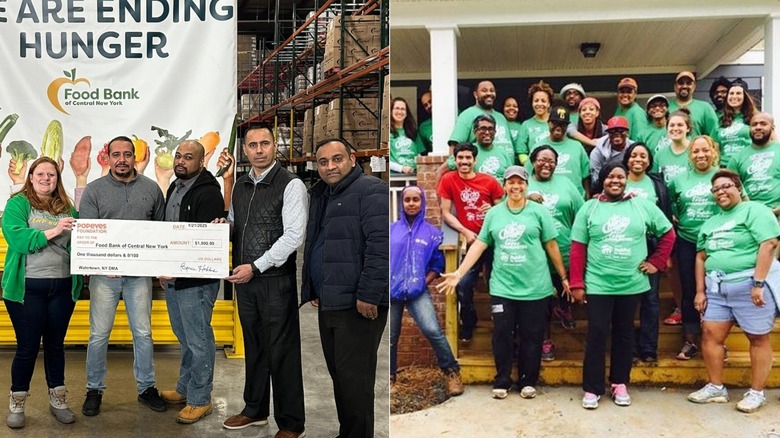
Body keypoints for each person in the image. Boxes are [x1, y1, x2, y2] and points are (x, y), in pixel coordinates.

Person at [438, 166, 569, 401]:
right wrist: (459, 272)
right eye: (511, 182)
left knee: (532, 335)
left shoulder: (539, 212)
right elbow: (479, 245)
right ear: (505, 186)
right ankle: (502, 379)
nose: (515, 187)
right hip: (503, 287)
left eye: (520, 182)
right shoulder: (494, 214)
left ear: (527, 185)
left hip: (535, 287)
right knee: (502, 335)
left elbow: (551, 245)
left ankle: (528, 381)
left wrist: (563, 277)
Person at [218, 125, 307, 437]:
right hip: (246, 281)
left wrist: (256, 266)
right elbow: (235, 223)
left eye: (264, 143)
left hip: (274, 281)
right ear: (245, 150)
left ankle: (292, 422)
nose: (259, 149)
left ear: (274, 146)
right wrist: (221, 227)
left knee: (281, 351)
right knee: (255, 346)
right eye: (252, 145)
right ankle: (255, 409)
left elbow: (294, 235)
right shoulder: (241, 185)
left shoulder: (290, 184)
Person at [301, 139, 388, 438]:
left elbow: (381, 246)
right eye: (323, 162)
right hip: (331, 300)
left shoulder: (370, 190)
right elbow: (320, 243)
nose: (330, 167)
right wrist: (315, 286)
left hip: (358, 304)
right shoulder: (323, 194)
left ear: (352, 159)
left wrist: (368, 293)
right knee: (340, 376)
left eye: (337, 159)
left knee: (356, 380)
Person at [570, 163, 675, 409]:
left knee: (624, 333)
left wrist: (656, 262)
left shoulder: (641, 205)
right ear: (603, 180)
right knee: (596, 333)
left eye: (620, 177)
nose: (615, 181)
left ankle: (619, 383)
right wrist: (576, 282)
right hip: (598, 284)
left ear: (627, 179)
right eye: (610, 177)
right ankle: (592, 388)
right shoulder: (590, 208)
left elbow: (668, 234)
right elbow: (578, 247)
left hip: (631, 284)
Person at [79, 135, 166, 417]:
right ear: (107, 157)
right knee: (98, 335)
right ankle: (94, 389)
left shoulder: (152, 189)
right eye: (116, 155)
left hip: (139, 276)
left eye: (127, 154)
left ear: (135, 158)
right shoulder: (94, 190)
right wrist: (100, 264)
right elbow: (88, 235)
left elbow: (160, 231)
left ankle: (146, 388)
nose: (122, 160)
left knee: (142, 333)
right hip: (105, 277)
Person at [688, 170, 780, 413]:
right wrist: (700, 291)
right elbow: (700, 256)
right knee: (710, 335)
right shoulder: (710, 222)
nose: (721, 192)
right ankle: (716, 387)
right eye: (715, 189)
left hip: (750, 285)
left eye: (726, 186)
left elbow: (769, 243)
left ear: (739, 188)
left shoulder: (755, 210)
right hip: (717, 288)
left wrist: (758, 283)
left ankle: (757, 392)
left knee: (758, 337)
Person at [3, 157, 82, 428]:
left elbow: (81, 242)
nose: (46, 178)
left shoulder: (67, 206)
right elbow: (18, 238)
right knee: (26, 348)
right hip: (28, 288)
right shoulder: (18, 204)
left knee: (55, 346)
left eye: (52, 174)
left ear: (57, 178)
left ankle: (58, 399)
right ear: (32, 176)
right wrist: (54, 230)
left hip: (62, 287)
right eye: (41, 174)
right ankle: (17, 401)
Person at [157, 140, 224, 424]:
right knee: (185, 338)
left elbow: (203, 248)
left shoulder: (208, 194)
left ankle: (200, 399)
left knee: (199, 340)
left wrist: (178, 272)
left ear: (201, 162)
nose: (181, 161)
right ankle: (185, 388)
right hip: (174, 279)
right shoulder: (175, 186)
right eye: (178, 156)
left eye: (188, 157)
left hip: (194, 282)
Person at [390, 186, 464, 396]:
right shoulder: (391, 230)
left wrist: (423, 282)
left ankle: (452, 372)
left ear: (422, 203)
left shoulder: (432, 234)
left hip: (417, 291)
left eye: (416, 200)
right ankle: (390, 377)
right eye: (408, 200)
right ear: (402, 203)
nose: (412, 203)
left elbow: (437, 265)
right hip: (391, 292)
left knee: (433, 330)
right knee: (391, 337)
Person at [438, 142, 504, 341]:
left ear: (475, 160)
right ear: (455, 160)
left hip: (494, 242)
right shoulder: (449, 179)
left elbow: (503, 209)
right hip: (472, 241)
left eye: (468, 158)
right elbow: (445, 213)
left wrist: (492, 210)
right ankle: (469, 321)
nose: (464, 161)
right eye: (460, 158)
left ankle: (501, 325)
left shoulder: (489, 181)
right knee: (463, 284)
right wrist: (465, 231)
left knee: (497, 285)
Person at [526, 146, 585, 360]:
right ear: (533, 161)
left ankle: (564, 308)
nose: (546, 164)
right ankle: (545, 341)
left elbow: (581, 213)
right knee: (541, 301)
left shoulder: (566, 184)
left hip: (564, 249)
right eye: (542, 160)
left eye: (551, 161)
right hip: (534, 255)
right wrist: (526, 198)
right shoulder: (524, 184)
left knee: (564, 285)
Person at [667, 135, 722, 360]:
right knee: (690, 290)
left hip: (718, 241)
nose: (701, 155)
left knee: (717, 291)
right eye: (696, 151)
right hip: (688, 240)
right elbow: (671, 206)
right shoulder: (678, 180)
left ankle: (717, 341)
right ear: (690, 155)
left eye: (705, 150)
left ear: (713, 151)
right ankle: (690, 341)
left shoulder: (722, 176)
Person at [622, 143, 673, 362]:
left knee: (651, 299)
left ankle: (648, 348)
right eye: (633, 155)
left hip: (651, 245)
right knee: (626, 300)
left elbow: (667, 221)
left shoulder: (657, 184)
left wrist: (662, 257)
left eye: (643, 156)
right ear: (627, 159)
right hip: (623, 245)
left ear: (649, 160)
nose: (638, 159)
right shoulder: (617, 180)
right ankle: (629, 348)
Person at [529, 106, 590, 197]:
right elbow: (528, 175)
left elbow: (586, 176)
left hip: (574, 199)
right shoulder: (537, 146)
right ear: (548, 123)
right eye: (555, 123)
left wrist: (587, 196)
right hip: (545, 199)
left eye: (562, 124)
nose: (558, 127)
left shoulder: (577, 146)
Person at [727, 112, 780, 217]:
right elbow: (729, 187)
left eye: (763, 124)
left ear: (772, 128)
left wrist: (777, 210)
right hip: (747, 215)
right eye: (754, 124)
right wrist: (749, 210)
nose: (758, 127)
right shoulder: (737, 157)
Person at [448, 80, 516, 158]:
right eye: (484, 90)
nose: (489, 93)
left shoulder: (501, 117)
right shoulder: (467, 115)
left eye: (492, 90)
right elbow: (455, 145)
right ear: (476, 95)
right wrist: (453, 165)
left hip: (506, 167)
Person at [441, 115, 515, 183]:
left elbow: (512, 179)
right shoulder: (467, 151)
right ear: (475, 131)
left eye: (490, 129)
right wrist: (438, 197)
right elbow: (440, 172)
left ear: (495, 132)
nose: (487, 132)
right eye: (483, 129)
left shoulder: (503, 153)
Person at [714, 83, 756, 168]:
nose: (734, 96)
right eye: (731, 93)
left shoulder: (754, 117)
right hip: (724, 166)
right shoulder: (720, 119)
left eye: (738, 93)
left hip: (747, 164)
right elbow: (715, 145)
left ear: (745, 96)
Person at [589, 116, 635, 190]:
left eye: (621, 130)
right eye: (612, 132)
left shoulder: (634, 148)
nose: (617, 134)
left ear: (627, 133)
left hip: (631, 186)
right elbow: (596, 180)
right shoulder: (597, 153)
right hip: (606, 188)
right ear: (608, 134)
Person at [668, 71, 719, 137]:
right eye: (681, 83)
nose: (684, 86)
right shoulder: (666, 108)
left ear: (694, 86)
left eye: (689, 83)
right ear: (675, 86)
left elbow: (714, 136)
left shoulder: (705, 108)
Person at [517, 81, 555, 164]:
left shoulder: (555, 122)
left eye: (543, 101)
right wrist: (531, 166)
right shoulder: (526, 125)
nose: (539, 104)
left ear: (549, 104)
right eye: (536, 100)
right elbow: (521, 152)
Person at [653, 109, 692, 185]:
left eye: (680, 125)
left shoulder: (695, 151)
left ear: (688, 128)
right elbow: (656, 182)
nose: (675, 128)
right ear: (667, 128)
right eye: (672, 125)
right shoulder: (659, 155)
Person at [390, 97, 426, 174]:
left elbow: (419, 155)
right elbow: (385, 159)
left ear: (406, 113)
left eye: (403, 109)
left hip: (413, 175)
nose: (400, 111)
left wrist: (419, 168)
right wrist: (401, 168)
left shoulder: (413, 132)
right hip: (395, 178)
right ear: (391, 111)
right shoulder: (388, 133)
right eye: (397, 108)